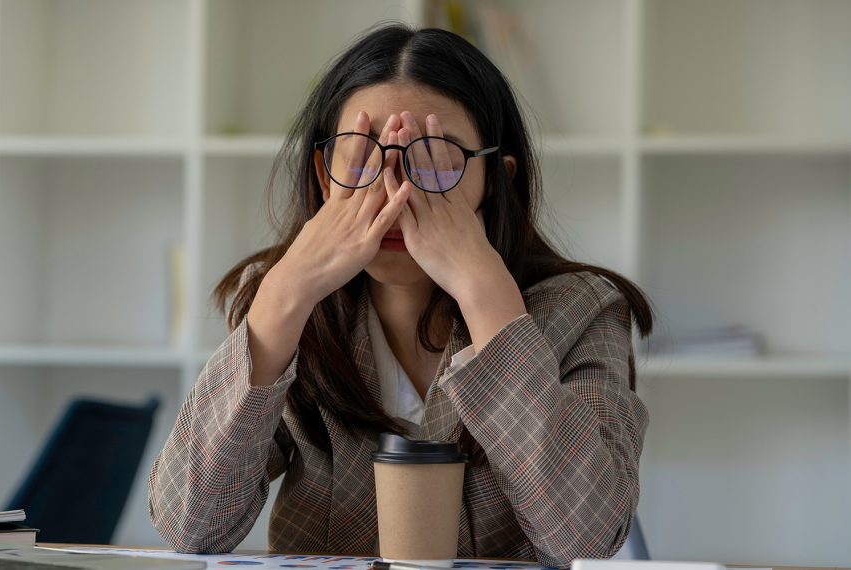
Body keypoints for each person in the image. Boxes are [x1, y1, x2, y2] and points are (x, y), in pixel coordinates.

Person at [149, 23, 653, 568]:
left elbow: (587, 540)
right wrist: (283, 296)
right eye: (362, 156)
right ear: (324, 175)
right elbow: (188, 526)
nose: (394, 190)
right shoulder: (287, 306)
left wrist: (489, 299)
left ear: (496, 180)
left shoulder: (583, 310)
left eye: (434, 158)